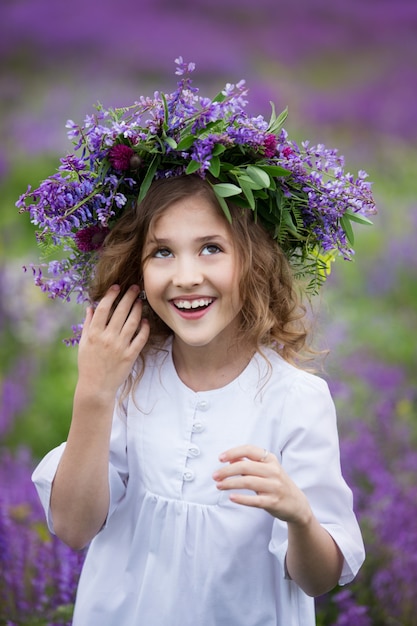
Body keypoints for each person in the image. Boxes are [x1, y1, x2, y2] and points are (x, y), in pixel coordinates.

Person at [26, 58, 374, 625]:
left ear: (255, 262)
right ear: (136, 268)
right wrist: (94, 391)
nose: (186, 275)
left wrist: (298, 516)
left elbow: (321, 576)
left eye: (211, 247)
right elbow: (72, 526)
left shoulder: (295, 400)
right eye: (163, 252)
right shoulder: (130, 378)